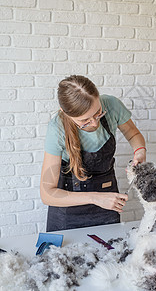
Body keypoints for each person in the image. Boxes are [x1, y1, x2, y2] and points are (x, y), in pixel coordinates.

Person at [40, 75, 146, 232]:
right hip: (68, 213)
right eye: (85, 121)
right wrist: (94, 198)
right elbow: (47, 194)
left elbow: (133, 134)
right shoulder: (57, 129)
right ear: (65, 113)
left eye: (98, 113)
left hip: (107, 204)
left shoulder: (111, 104)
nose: (95, 123)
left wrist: (139, 151)